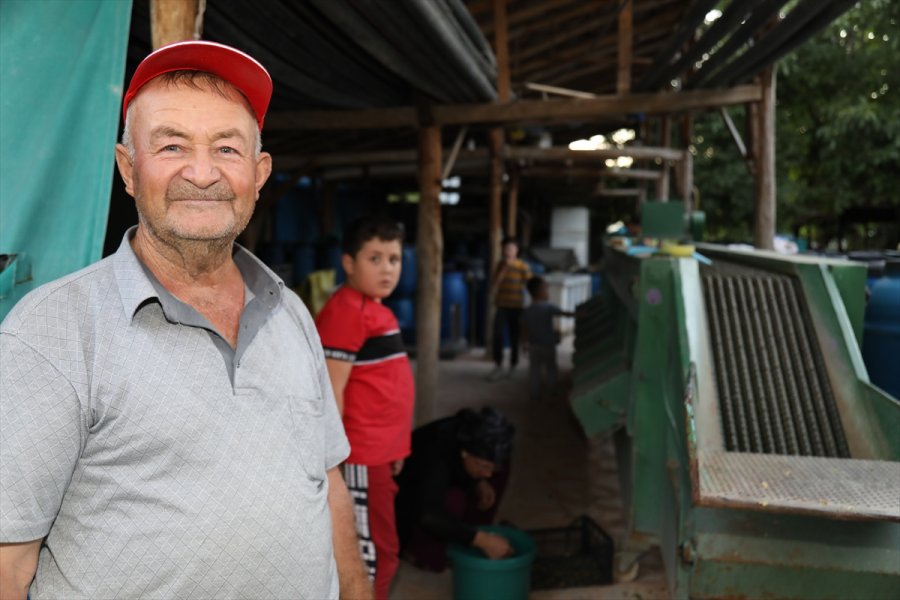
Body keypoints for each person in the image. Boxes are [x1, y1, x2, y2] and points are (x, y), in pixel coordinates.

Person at [0, 41, 370, 600]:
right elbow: (9, 562)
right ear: (128, 169)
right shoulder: (51, 332)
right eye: (172, 145)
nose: (202, 173)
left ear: (259, 171)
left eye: (227, 148)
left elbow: (329, 481)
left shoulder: (290, 311)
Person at [315, 216, 414, 600]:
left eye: (394, 259)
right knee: (373, 557)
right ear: (349, 263)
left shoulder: (371, 307)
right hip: (360, 458)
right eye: (374, 258)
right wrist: (338, 465)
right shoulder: (347, 312)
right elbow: (331, 393)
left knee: (382, 549)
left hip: (379, 456)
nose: (387, 268)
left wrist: (397, 449)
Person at [395, 407, 515, 572]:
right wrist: (481, 540)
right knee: (453, 500)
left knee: (501, 470)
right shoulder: (435, 454)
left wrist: (479, 480)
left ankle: (475, 532)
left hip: (452, 475)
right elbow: (428, 513)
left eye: (491, 469)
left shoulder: (472, 439)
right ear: (465, 453)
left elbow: (483, 466)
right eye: (483, 466)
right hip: (410, 500)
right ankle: (421, 551)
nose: (488, 474)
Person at [522, 276, 575, 401]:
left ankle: (534, 393)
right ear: (540, 291)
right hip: (547, 345)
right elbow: (564, 314)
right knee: (551, 368)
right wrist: (580, 314)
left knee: (534, 370)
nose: (548, 292)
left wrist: (524, 343)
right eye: (546, 289)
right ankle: (552, 390)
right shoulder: (548, 307)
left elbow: (523, 328)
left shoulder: (528, 310)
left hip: (533, 345)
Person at [488, 237, 532, 381]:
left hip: (517, 307)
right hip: (501, 306)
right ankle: (498, 365)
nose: (508, 251)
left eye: (511, 248)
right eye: (506, 249)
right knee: (498, 335)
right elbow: (494, 284)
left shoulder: (522, 266)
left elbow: (531, 284)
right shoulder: (500, 265)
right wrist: (504, 269)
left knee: (514, 337)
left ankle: (513, 365)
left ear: (516, 250)